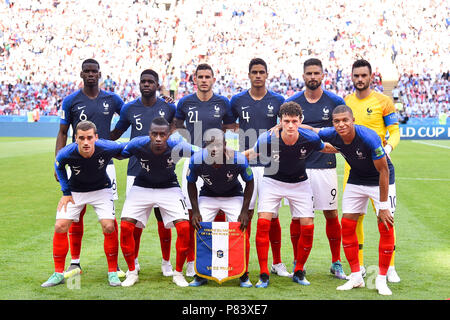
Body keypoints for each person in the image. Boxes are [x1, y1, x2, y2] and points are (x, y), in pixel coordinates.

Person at [245, 101, 336, 288]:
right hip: (272, 182)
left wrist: (348, 149)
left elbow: (325, 147)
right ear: (280, 121)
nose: (291, 125)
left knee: (308, 227)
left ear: (300, 120)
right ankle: (263, 273)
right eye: (286, 121)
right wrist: (226, 157)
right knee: (263, 222)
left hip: (300, 183)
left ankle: (299, 271)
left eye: (295, 121)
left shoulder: (309, 137)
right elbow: (251, 154)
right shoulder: (268, 139)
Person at [54, 58, 125, 277]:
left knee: (109, 217)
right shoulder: (70, 101)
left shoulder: (112, 99)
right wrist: (56, 161)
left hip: (105, 163)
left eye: (94, 71)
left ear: (100, 74)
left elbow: (128, 118)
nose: (91, 74)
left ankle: (114, 266)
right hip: (77, 163)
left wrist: (111, 140)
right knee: (76, 214)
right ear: (82, 74)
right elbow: (63, 132)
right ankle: (75, 262)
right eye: (87, 71)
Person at [316, 105, 396, 296]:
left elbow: (383, 171)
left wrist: (383, 207)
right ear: (333, 123)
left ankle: (382, 279)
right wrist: (283, 127)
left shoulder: (369, 138)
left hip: (380, 179)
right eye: (337, 121)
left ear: (353, 120)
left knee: (385, 225)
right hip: (357, 178)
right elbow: (312, 131)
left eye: (345, 120)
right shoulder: (332, 133)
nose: (341, 124)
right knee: (347, 224)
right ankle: (356, 276)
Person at [110, 69, 176, 277]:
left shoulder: (168, 107)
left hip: (164, 169)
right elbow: (116, 133)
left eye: (150, 82)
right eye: (143, 82)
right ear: (139, 84)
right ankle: (134, 261)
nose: (146, 84)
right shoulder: (129, 108)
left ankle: (166, 263)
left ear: (157, 85)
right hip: (135, 171)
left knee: (163, 218)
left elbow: (177, 129)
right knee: (135, 220)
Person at [42, 121, 125, 287]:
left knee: (109, 226)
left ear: (96, 137)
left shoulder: (107, 147)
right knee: (60, 226)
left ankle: (112, 272)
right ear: (76, 139)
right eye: (81, 138)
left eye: (89, 138)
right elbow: (58, 167)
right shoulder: (66, 153)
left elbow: (128, 148)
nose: (86, 142)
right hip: (75, 192)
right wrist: (65, 193)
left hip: (102, 190)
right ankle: (58, 273)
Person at [285, 58, 346, 279]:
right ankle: (296, 261)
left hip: (326, 166)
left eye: (316, 73)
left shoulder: (335, 101)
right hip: (299, 167)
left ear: (323, 75)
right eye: (309, 73)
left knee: (331, 214)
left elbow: (341, 130)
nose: (312, 77)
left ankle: (336, 262)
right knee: (296, 218)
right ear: (303, 76)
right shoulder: (293, 103)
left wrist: (312, 130)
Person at [173, 63, 236, 277]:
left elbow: (229, 127)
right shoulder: (185, 102)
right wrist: (191, 143)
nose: (204, 80)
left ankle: (219, 258)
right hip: (193, 162)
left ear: (213, 79)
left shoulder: (223, 103)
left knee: (217, 210)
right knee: (192, 213)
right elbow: (177, 124)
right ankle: (192, 260)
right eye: (200, 76)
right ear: (194, 80)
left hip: (217, 162)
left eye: (207, 76)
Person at [229, 58, 290, 278]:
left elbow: (287, 122)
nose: (257, 75)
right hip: (246, 163)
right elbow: (226, 122)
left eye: (261, 72)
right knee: (247, 213)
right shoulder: (237, 100)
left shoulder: (278, 99)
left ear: (267, 75)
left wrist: (280, 125)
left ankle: (277, 262)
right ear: (249, 74)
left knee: (272, 217)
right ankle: (242, 263)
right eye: (254, 72)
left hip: (271, 166)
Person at [119, 117, 195, 288]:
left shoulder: (178, 145)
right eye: (155, 134)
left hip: (169, 187)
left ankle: (178, 273)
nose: (159, 138)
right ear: (149, 134)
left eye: (162, 134)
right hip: (142, 187)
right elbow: (117, 151)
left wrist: (225, 153)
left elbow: (202, 153)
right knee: (125, 227)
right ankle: (132, 272)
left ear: (169, 135)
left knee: (184, 228)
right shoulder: (138, 144)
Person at [344, 59, 400, 282]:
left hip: (379, 169)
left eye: (363, 76)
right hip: (353, 170)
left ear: (370, 77)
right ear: (352, 77)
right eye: (356, 76)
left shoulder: (383, 101)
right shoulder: (346, 102)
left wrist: (387, 148)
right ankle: (358, 268)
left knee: (386, 219)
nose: (360, 79)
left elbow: (395, 131)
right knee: (353, 220)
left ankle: (391, 267)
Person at [187, 128, 254, 287]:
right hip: (208, 196)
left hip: (233, 196)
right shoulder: (197, 159)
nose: (214, 149)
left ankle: (243, 273)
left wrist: (245, 211)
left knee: (240, 228)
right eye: (210, 145)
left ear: (225, 144)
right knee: (200, 227)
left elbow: (250, 182)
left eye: (218, 144)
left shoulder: (238, 159)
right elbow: (191, 183)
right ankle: (201, 273)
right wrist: (195, 211)